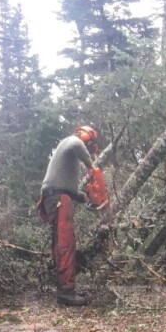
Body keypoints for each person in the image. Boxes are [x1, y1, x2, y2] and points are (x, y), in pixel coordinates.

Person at [37, 125, 103, 306]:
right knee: (66, 243)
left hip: (56, 196)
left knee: (60, 241)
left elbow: (71, 191)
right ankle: (66, 291)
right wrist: (91, 167)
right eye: (89, 146)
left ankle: (62, 285)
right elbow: (77, 144)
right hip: (58, 197)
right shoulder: (71, 141)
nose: (89, 150)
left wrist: (86, 197)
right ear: (85, 138)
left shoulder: (67, 159)